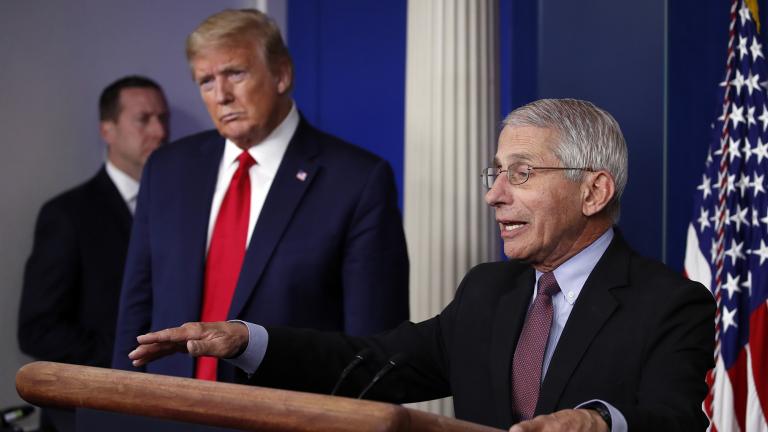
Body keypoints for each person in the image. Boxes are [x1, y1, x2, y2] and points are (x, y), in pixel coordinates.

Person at [129, 99, 716, 432]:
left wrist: (598, 424)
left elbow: (675, 423)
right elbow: (372, 366)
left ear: (593, 191)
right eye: (495, 173)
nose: (494, 195)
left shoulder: (668, 303)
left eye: (521, 173)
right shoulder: (489, 290)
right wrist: (245, 340)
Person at [111, 9, 409, 383]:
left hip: (286, 414)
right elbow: (135, 314)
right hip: (170, 411)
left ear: (281, 74)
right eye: (206, 81)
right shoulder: (167, 169)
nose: (221, 95)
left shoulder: (357, 180)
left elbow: (373, 347)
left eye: (235, 73)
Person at [18, 75, 169, 430]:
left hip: (166, 409)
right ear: (108, 130)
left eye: (163, 118)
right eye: (143, 119)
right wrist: (131, 354)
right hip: (88, 413)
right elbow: (37, 330)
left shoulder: (184, 209)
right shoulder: (68, 214)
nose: (160, 131)